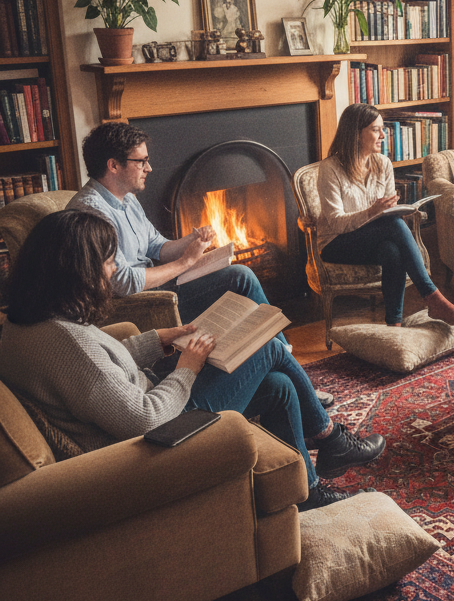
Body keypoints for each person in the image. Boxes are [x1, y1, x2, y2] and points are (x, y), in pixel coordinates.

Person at [0, 212, 384, 510]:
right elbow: (145, 418)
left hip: (146, 419)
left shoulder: (29, 324)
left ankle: (308, 492)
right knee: (265, 345)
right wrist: (188, 367)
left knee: (278, 387)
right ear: (75, 270)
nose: (113, 269)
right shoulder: (68, 343)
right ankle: (329, 438)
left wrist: (156, 341)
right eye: (106, 261)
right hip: (154, 446)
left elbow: (99, 373)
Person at [66, 122, 334, 407]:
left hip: (158, 285)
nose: (150, 168)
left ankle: (278, 360)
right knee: (239, 277)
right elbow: (124, 283)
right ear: (114, 165)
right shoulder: (91, 211)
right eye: (141, 161)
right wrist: (186, 262)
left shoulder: (126, 200)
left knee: (237, 275)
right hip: (138, 302)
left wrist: (193, 242)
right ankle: (285, 360)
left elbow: (157, 246)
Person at [318, 103, 454, 327]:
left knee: (392, 251)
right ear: (356, 133)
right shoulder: (330, 169)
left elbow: (387, 212)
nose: (382, 135)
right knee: (393, 225)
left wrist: (399, 210)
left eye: (382, 128)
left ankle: (394, 325)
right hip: (336, 243)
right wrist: (372, 212)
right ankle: (433, 297)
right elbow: (336, 223)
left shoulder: (383, 164)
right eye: (375, 129)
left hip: (374, 237)